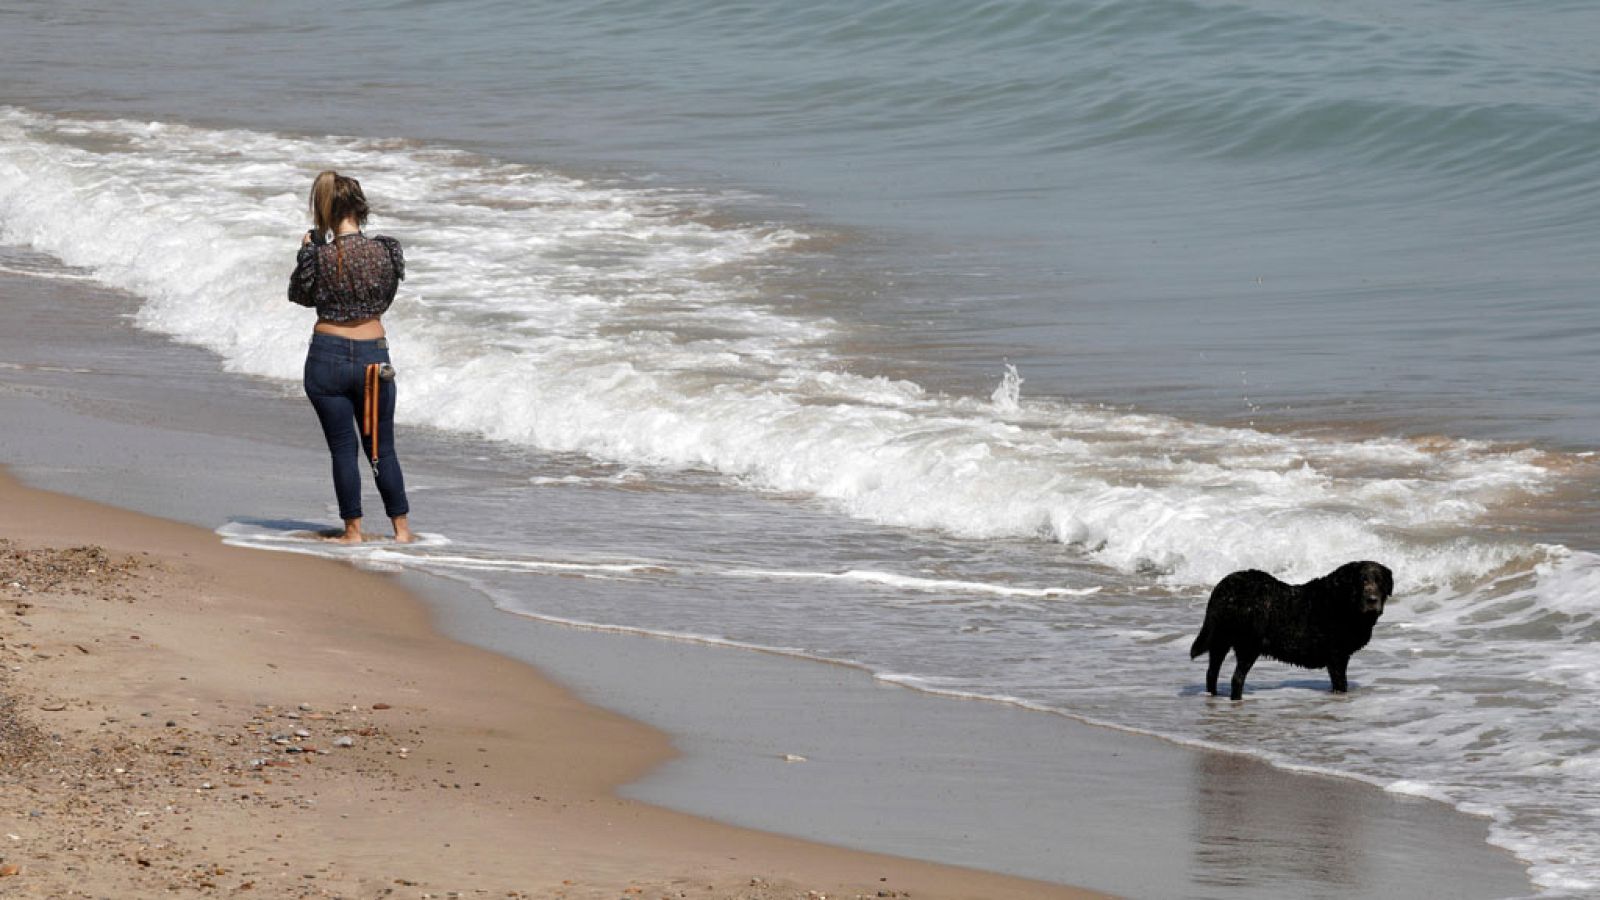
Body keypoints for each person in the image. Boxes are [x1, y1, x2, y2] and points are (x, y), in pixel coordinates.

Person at [288, 170, 415, 544]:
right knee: (382, 448)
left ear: (326, 211)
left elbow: (299, 296)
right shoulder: (386, 251)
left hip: (327, 355)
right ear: (361, 208)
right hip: (373, 356)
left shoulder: (320, 256)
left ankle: (353, 531)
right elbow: (385, 299)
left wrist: (307, 252)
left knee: (343, 449)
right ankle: (402, 530)